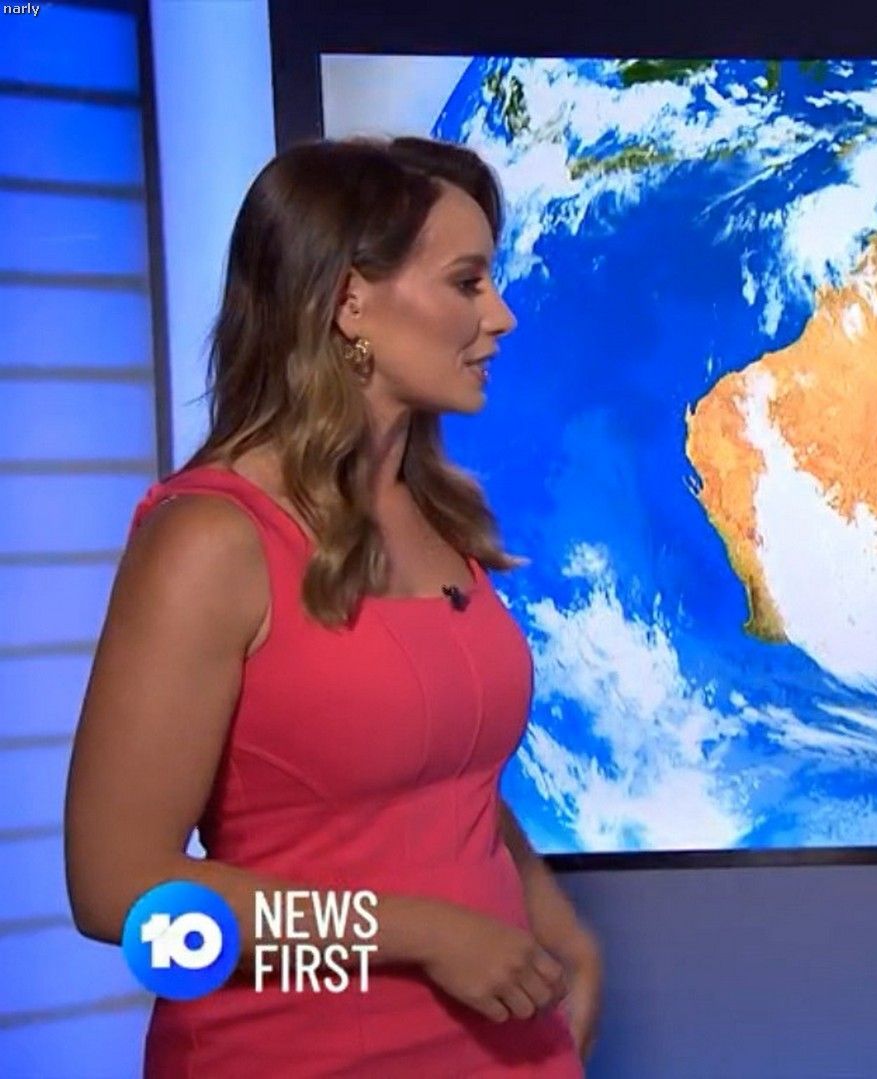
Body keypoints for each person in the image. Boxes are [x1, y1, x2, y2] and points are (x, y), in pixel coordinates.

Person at [63, 136, 602, 1077]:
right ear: (351, 299)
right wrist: (422, 931)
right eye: (467, 283)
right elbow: (119, 893)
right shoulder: (210, 541)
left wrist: (561, 931)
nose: (501, 315)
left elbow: (448, 778)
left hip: (502, 1050)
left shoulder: (436, 515)